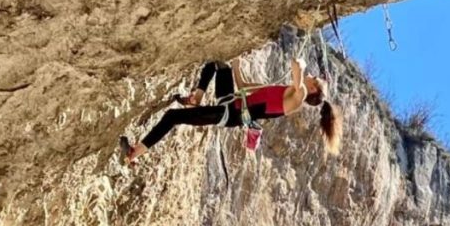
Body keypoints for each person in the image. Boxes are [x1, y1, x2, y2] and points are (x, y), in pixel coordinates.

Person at [120, 57, 342, 162]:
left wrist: (301, 66)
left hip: (229, 115)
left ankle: (135, 152)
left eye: (313, 78)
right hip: (229, 99)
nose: (310, 75)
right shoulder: (286, 89)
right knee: (218, 62)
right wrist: (235, 66)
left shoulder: (297, 97)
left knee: (172, 117)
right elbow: (244, 85)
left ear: (312, 88)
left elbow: (297, 67)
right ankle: (196, 97)